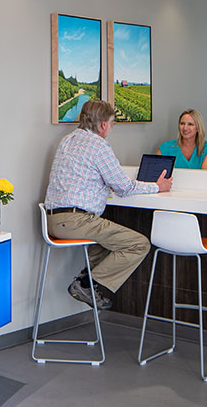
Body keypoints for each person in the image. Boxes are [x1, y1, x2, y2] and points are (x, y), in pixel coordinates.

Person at [44, 100, 172, 310]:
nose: (111, 129)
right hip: (77, 221)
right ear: (103, 125)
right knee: (139, 244)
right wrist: (158, 187)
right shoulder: (98, 145)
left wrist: (102, 185)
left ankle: (86, 280)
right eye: (112, 124)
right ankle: (85, 284)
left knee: (105, 244)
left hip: (52, 220)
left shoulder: (67, 140)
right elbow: (124, 188)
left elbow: (83, 176)